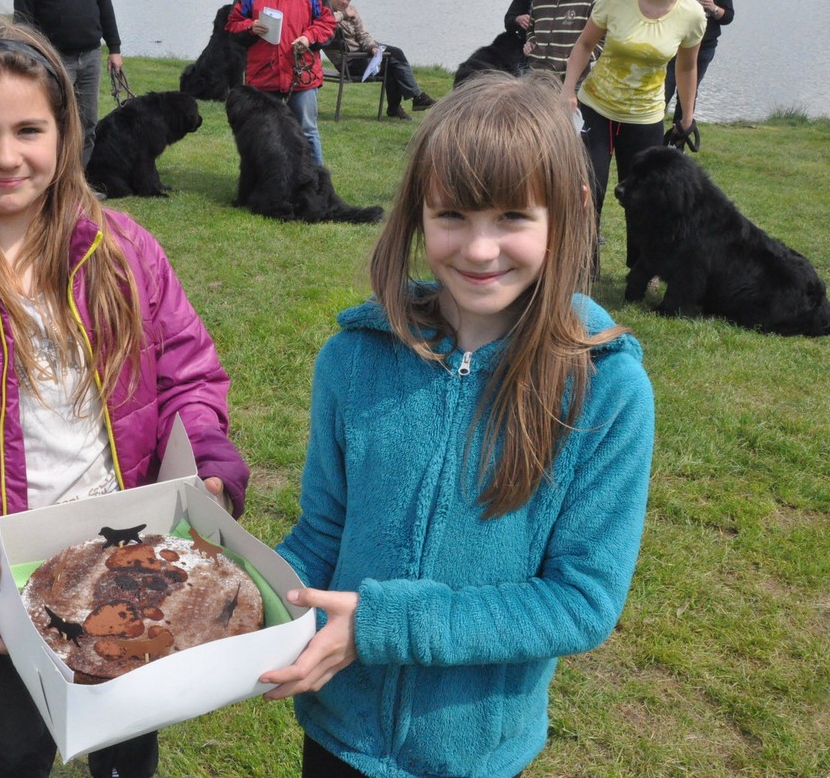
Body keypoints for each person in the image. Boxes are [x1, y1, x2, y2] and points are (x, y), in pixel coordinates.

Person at [0, 17, 249, 778]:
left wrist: (209, 465)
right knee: (13, 741)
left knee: (130, 725)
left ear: (65, 129)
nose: (5, 156)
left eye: (29, 129)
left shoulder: (125, 251)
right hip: (9, 580)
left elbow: (189, 379)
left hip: (132, 552)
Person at [259, 72, 654, 778]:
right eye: (453, 216)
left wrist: (383, 627)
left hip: (474, 754)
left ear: (570, 210)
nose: (478, 249)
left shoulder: (607, 391)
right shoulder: (352, 360)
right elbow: (321, 533)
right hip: (339, 730)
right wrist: (243, 603)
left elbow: (581, 601)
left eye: (512, 217)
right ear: (418, 213)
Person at [562, 0, 705, 269]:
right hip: (596, 107)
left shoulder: (692, 14)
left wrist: (687, 116)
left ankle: (640, 270)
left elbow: (687, 67)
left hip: (645, 116)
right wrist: (567, 89)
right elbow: (585, 44)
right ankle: (582, 264)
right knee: (589, 186)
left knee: (644, 197)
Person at [13, 0, 122, 167]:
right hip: (52, 59)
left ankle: (79, 177)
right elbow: (23, 19)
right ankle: (52, 178)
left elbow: (104, 5)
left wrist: (114, 48)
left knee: (87, 124)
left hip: (90, 56)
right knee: (53, 124)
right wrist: (30, 56)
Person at [226, 0, 337, 165]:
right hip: (263, 77)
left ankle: (317, 182)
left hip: (301, 75)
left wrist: (308, 37)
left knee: (307, 132)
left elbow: (328, 24)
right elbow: (232, 25)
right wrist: (250, 27)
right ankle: (262, 181)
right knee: (262, 133)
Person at [323, 0, 435, 121]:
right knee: (391, 63)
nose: (345, 1)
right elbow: (323, 23)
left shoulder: (352, 11)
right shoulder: (322, 10)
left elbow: (363, 36)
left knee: (395, 54)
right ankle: (410, 101)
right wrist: (343, 15)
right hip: (349, 62)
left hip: (362, 53)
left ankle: (408, 102)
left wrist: (373, 48)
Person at [664, 0, 733, 130]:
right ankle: (652, 131)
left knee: (688, 93)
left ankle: (679, 136)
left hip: (704, 46)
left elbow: (728, 17)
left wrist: (713, 8)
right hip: (675, 43)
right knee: (665, 87)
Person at [523, 0, 602, 80]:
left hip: (573, 82)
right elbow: (531, 30)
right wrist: (531, 43)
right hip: (536, 79)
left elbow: (603, 40)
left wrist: (575, 61)